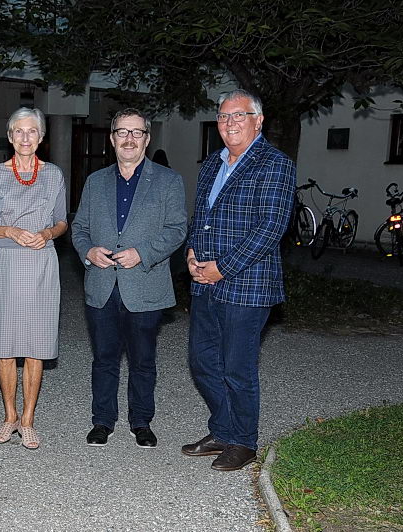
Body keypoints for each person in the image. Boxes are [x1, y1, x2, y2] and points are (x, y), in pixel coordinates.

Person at [182, 88, 295, 471]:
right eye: (223, 116)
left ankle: (244, 441)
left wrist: (223, 267)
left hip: (247, 285)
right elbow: (201, 216)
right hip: (204, 281)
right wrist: (192, 253)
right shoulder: (212, 164)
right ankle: (223, 430)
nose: (229, 122)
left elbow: (271, 227)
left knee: (237, 368)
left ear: (258, 121)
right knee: (202, 362)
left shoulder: (275, 164)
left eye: (238, 115)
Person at [71, 108, 187, 448]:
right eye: (122, 132)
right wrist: (88, 251)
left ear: (147, 139)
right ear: (112, 139)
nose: (129, 139)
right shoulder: (95, 181)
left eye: (137, 132)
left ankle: (141, 422)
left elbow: (177, 229)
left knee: (143, 361)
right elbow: (79, 228)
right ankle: (102, 421)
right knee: (104, 359)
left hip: (145, 284)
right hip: (102, 285)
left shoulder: (168, 180)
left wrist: (143, 253)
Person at [0, 107, 68, 450]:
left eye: (32, 131)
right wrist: (8, 230)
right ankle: (9, 415)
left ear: (40, 137)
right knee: (5, 345)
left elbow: (62, 222)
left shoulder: (54, 175)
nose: (25, 138)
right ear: (10, 136)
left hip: (41, 263)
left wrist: (47, 233)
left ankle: (28, 420)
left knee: (36, 345)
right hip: (5, 264)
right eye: (19, 131)